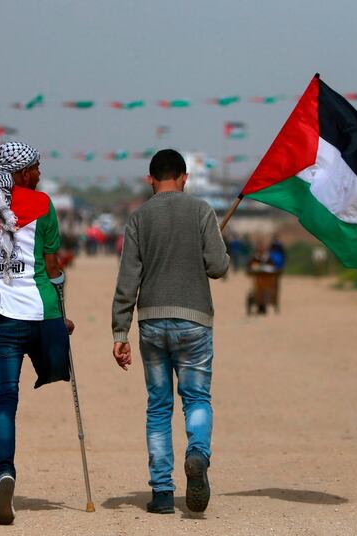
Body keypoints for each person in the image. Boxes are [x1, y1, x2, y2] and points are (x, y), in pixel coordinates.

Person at [0, 141, 74, 525]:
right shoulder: (43, 204)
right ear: (21, 173)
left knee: (2, 402)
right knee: (57, 370)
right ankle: (52, 360)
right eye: (35, 168)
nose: (39, 174)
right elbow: (52, 269)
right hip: (42, 317)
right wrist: (63, 316)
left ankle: (3, 474)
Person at [111, 149, 230, 514]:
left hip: (151, 324)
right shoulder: (201, 211)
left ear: (150, 180)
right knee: (196, 399)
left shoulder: (139, 218)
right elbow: (218, 267)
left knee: (159, 407)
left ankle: (162, 493)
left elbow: (128, 279)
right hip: (194, 321)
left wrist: (120, 332)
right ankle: (197, 454)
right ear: (184, 177)